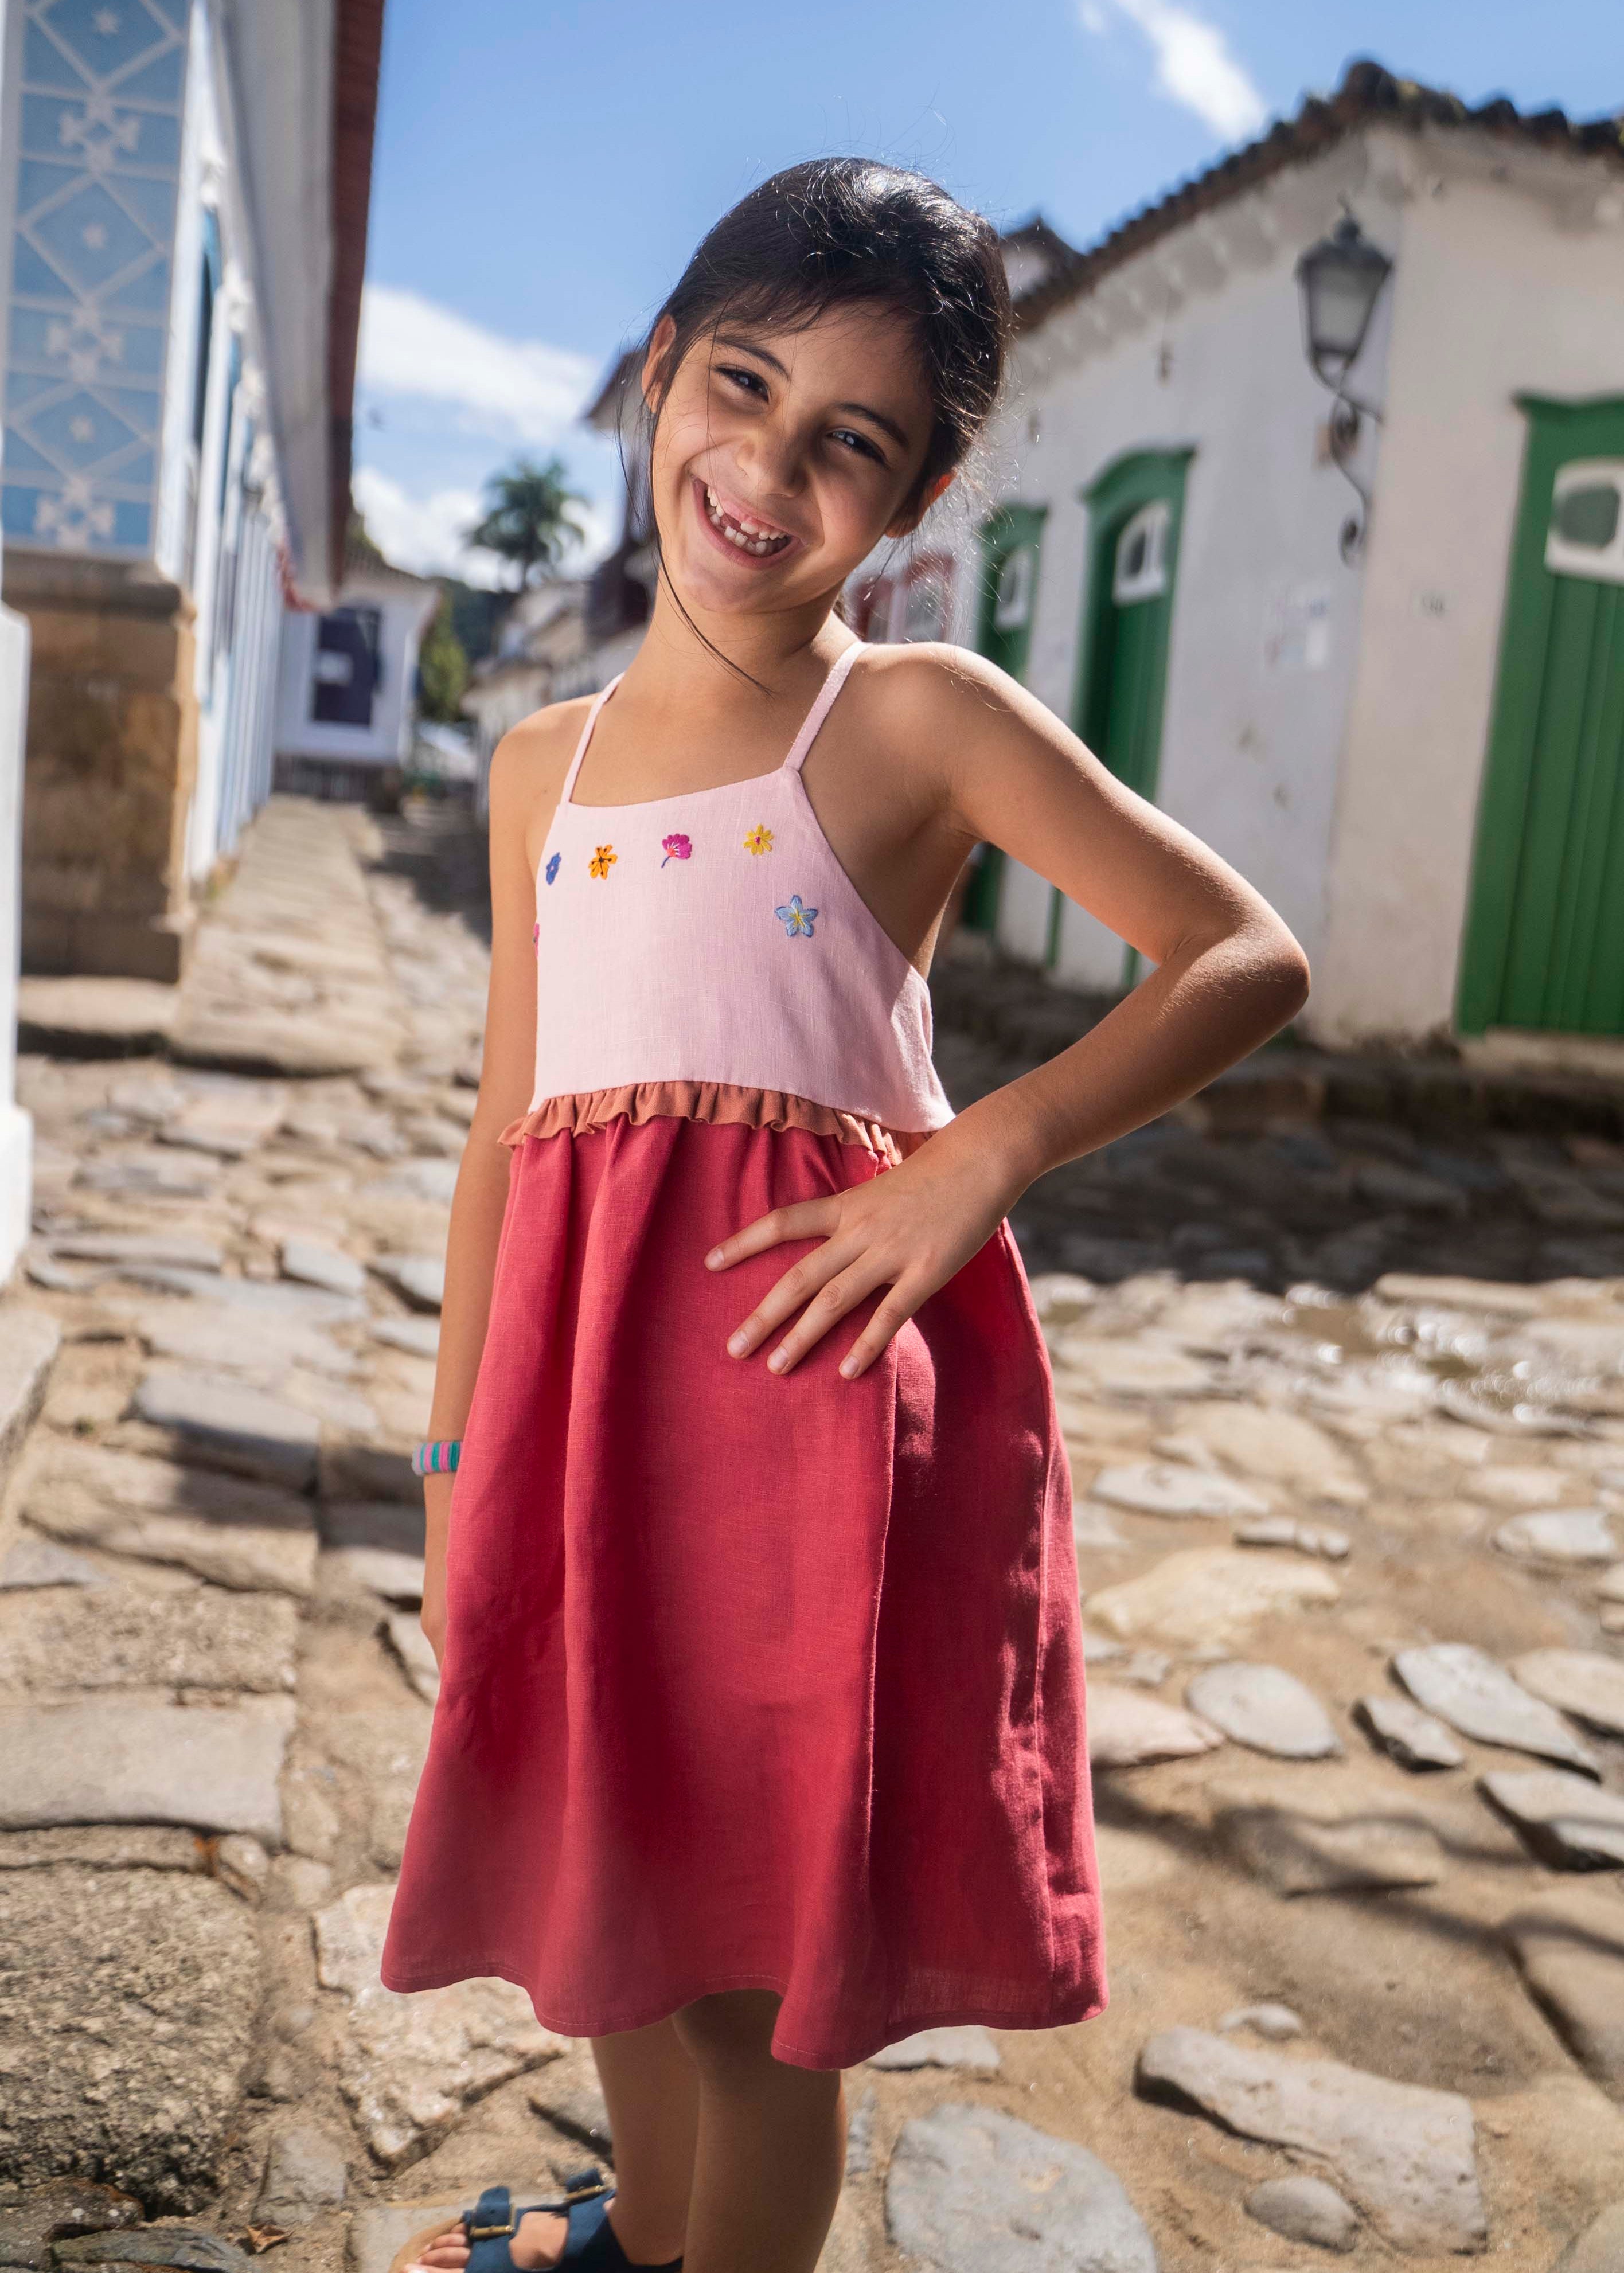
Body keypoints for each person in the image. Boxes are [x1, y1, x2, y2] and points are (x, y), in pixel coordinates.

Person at [381, 157, 1309, 2273]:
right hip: (579, 1421)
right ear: (657, 377)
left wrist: (981, 1155)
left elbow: (1239, 954)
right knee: (602, 1913)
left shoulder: (908, 719)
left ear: (916, 503)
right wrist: (454, 1456)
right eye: (740, 386)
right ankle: (642, 2238)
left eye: (850, 446)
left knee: (741, 1996)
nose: (766, 471)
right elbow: (510, 1127)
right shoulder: (543, 760)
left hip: (790, 1446)